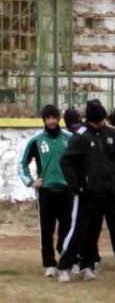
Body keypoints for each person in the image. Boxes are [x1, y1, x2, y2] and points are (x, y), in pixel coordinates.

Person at [57, 99, 115, 282]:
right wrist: (76, 185)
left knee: (94, 231)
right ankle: (64, 265)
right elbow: (66, 162)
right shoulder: (80, 136)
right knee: (78, 229)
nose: (103, 122)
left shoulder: (112, 134)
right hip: (85, 192)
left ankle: (87, 265)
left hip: (106, 191)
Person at [17, 104, 73, 277]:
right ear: (44, 120)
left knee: (67, 227)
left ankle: (64, 257)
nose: (51, 121)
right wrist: (31, 181)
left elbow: (81, 160)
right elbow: (22, 163)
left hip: (66, 190)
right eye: (48, 118)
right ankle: (49, 264)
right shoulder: (36, 140)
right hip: (46, 191)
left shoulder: (69, 138)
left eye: (54, 117)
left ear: (58, 118)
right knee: (46, 229)